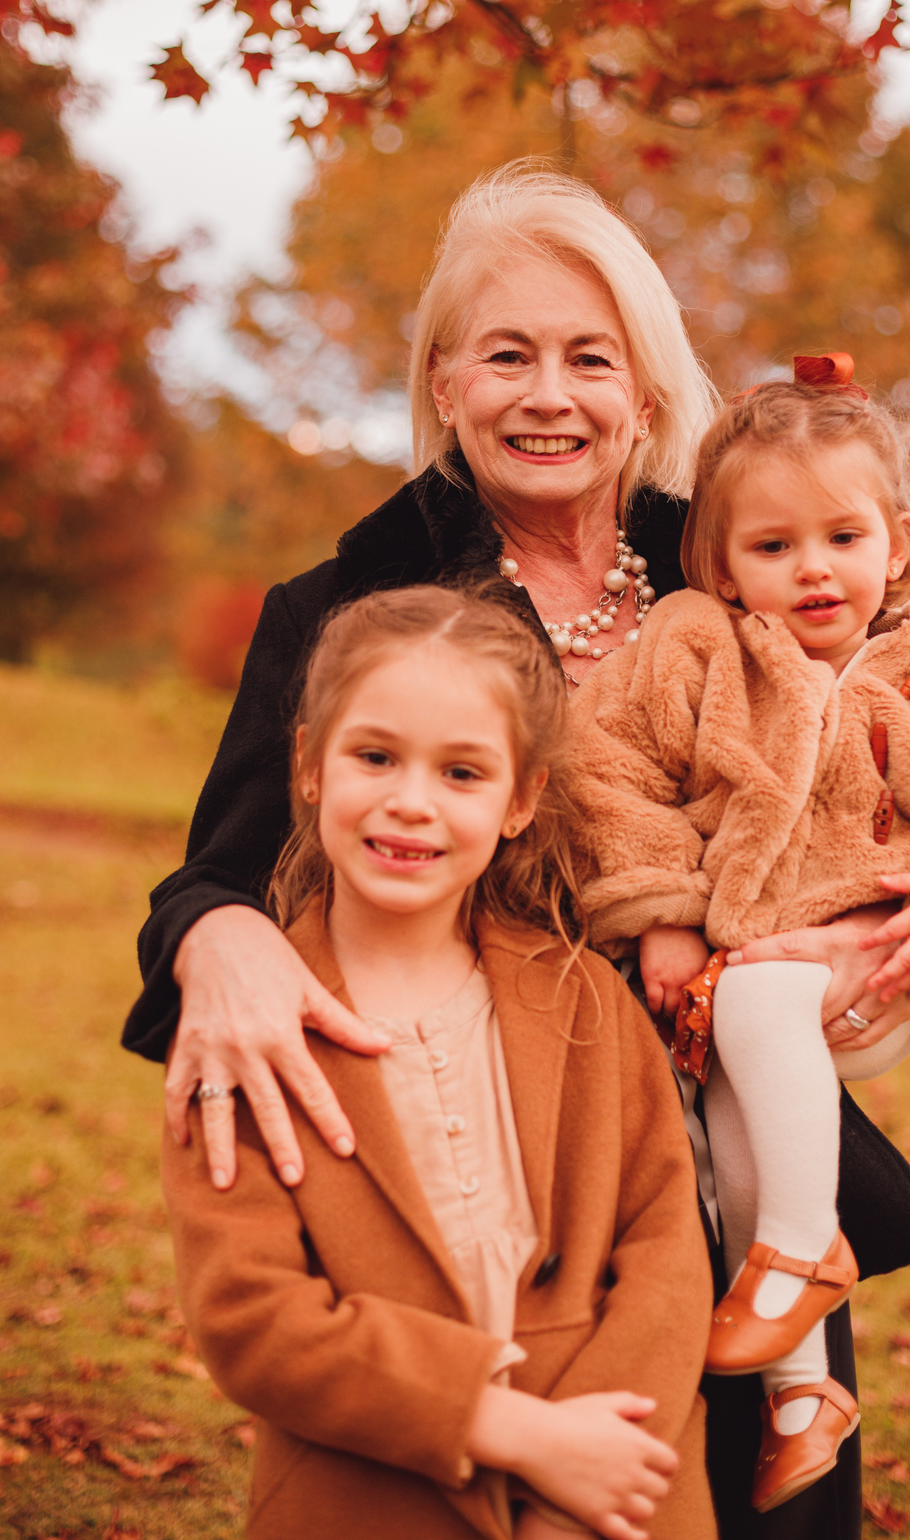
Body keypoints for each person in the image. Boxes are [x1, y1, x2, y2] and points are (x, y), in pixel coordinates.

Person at [126, 162, 910, 1538]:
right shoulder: (352, 601)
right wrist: (211, 936)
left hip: (746, 1140)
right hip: (508, 1157)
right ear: (445, 381)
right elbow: (216, 874)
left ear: (643, 391)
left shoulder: (739, 551)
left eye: (591, 358)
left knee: (765, 1502)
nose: (549, 395)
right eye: (507, 356)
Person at [559, 355, 910, 1513]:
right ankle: (806, 1392)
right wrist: (658, 912)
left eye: (842, 538)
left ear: (895, 544)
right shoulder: (696, 656)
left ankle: (802, 1254)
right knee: (729, 1083)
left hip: (880, 960)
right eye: (773, 547)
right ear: (719, 563)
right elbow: (608, 772)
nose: (813, 570)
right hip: (734, 961)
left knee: (750, 1011)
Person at [162, 585, 716, 1540]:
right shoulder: (243, 1029)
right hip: (368, 1496)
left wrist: (577, 1479)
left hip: (612, 1488)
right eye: (375, 757)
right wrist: (508, 1431)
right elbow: (250, 1316)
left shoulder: (588, 1002)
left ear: (521, 799)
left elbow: (666, 1248)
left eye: (463, 773)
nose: (410, 802)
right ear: (309, 766)